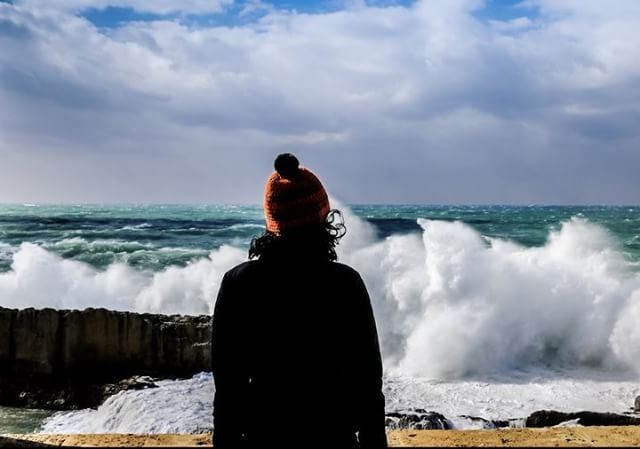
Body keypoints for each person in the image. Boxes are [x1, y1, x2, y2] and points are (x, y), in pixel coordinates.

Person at [211, 153, 387, 448]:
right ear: (323, 216)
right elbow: (368, 384)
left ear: (272, 220)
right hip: (332, 437)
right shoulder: (344, 282)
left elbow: (228, 386)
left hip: (263, 436)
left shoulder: (239, 282)